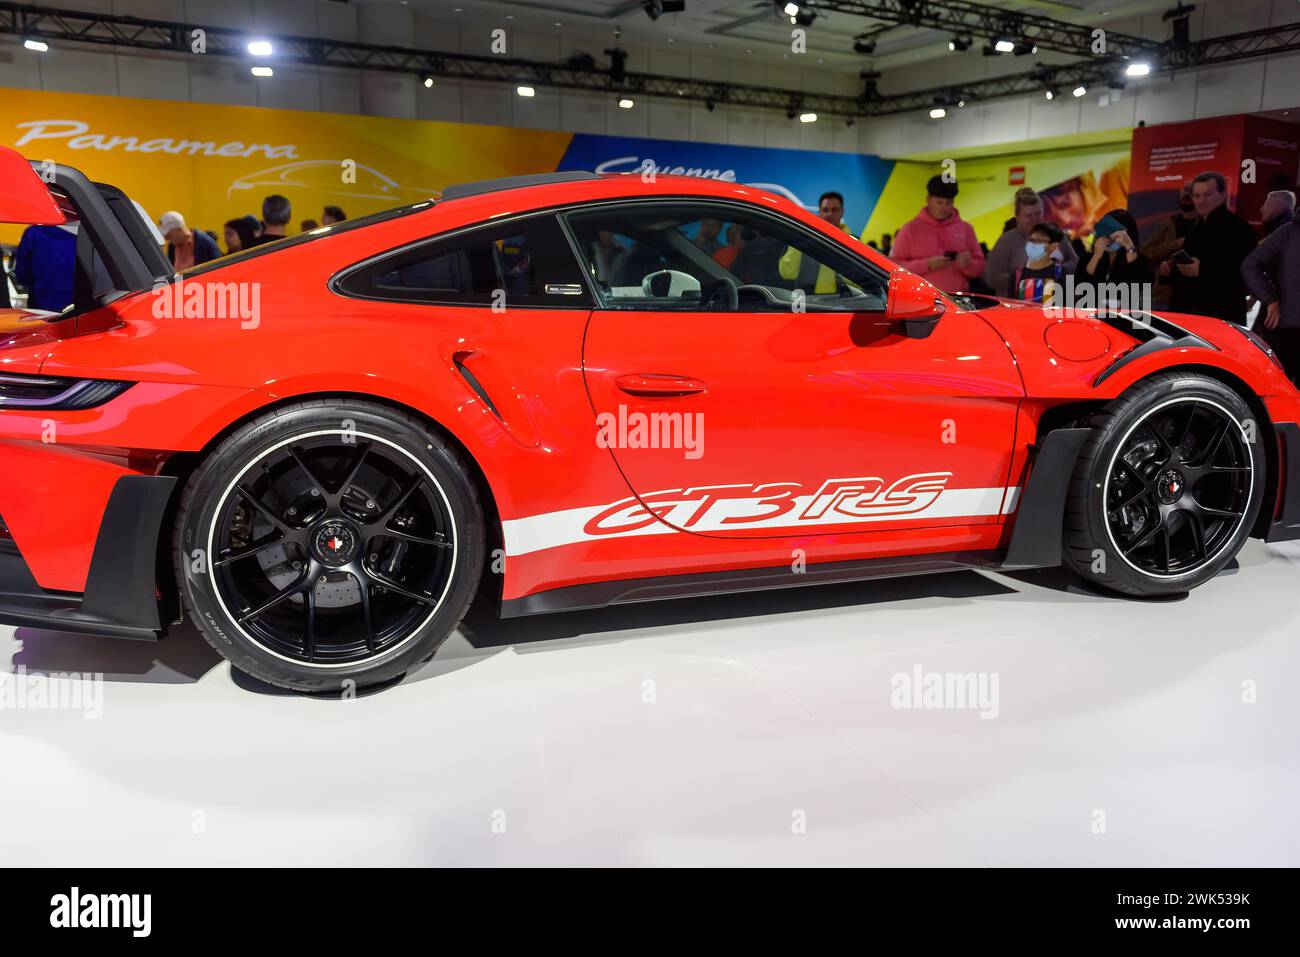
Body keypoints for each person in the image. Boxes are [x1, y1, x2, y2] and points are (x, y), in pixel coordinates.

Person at [1158, 170, 1256, 324]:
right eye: (1197, 196)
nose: (1201, 200)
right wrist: (1170, 270)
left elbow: (1244, 272)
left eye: (1208, 194)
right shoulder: (1197, 229)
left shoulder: (1238, 228)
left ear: (1223, 194)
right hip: (1193, 315)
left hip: (1220, 316)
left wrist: (1202, 270)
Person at [886, 175, 984, 293]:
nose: (944, 208)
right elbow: (893, 267)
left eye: (948, 203)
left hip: (957, 301)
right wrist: (927, 265)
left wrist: (968, 264)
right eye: (939, 202)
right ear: (928, 200)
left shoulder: (966, 229)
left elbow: (981, 267)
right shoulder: (910, 230)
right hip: (919, 300)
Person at [985, 186, 1078, 297]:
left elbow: (1076, 262)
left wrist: (1057, 271)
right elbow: (991, 279)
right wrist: (1024, 277)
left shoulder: (1056, 235)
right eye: (1028, 216)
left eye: (1038, 214)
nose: (1035, 219)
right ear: (1017, 216)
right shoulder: (1007, 241)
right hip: (1015, 306)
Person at [1242, 204, 1300, 381]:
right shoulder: (1289, 233)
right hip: (1291, 330)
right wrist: (1271, 299)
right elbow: (1250, 265)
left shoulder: (1288, 232)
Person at [1075, 210, 1153, 307]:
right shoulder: (1089, 257)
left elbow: (1140, 285)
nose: (1109, 237)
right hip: (1092, 314)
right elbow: (1079, 284)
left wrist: (1129, 246)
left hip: (1123, 316)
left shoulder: (1139, 259)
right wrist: (1096, 256)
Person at [1141, 183, 1200, 309]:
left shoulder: (1205, 226)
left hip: (1194, 297)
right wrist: (1175, 244)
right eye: (1184, 190)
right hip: (1164, 295)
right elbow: (1147, 253)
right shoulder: (1167, 225)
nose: (1186, 194)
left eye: (1191, 191)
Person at [781, 191, 851, 293]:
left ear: (842, 212)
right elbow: (787, 273)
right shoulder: (804, 239)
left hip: (846, 304)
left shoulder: (854, 243)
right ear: (819, 212)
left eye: (835, 210)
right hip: (809, 304)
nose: (830, 214)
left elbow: (859, 282)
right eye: (825, 210)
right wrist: (799, 238)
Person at [13, 222, 77, 312]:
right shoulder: (94, 232)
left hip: (43, 306)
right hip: (87, 309)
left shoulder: (34, 233)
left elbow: (22, 274)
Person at [1011, 222, 1067, 305]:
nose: (1032, 244)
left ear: (1053, 246)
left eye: (1038, 241)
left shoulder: (1060, 273)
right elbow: (1009, 305)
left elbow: (1068, 307)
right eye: (1030, 240)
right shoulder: (1017, 273)